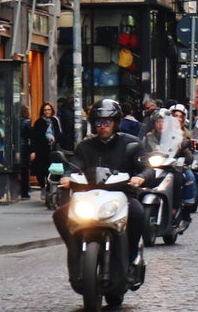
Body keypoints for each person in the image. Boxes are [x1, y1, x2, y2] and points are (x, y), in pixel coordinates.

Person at [52, 99, 148, 267]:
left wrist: (140, 176)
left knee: (137, 213)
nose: (102, 126)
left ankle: (132, 255)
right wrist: (67, 176)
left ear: (115, 123)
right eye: (98, 122)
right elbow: (76, 165)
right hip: (90, 196)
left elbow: (145, 167)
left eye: (107, 122)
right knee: (60, 215)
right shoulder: (85, 146)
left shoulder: (130, 143)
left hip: (122, 195)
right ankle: (74, 251)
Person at [30, 102, 65, 194]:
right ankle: (42, 187)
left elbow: (60, 134)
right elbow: (34, 138)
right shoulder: (39, 123)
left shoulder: (55, 121)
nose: (47, 112)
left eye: (48, 110)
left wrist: (56, 140)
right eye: (45, 110)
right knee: (41, 171)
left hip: (53, 150)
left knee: (52, 171)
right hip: (41, 150)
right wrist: (33, 151)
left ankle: (49, 189)